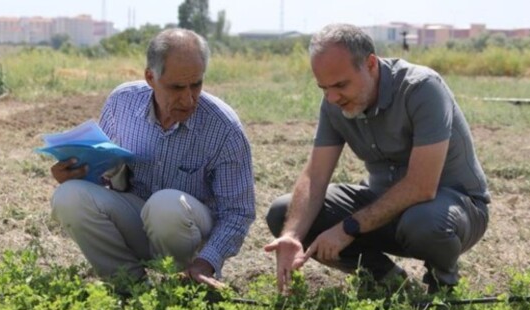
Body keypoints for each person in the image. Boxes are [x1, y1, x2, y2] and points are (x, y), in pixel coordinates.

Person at [264, 24, 490, 295]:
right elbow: (315, 176)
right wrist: (292, 235)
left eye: (340, 85)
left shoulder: (422, 88)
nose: (333, 97)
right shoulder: (334, 103)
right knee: (284, 212)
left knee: (424, 222)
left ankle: (443, 286)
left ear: (370, 64)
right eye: (324, 88)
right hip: (385, 208)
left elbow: (422, 186)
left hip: (452, 210)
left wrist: (347, 228)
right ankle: (387, 281)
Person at [51, 28, 255, 290]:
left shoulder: (223, 127)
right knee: (69, 196)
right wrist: (74, 174)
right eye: (177, 87)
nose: (189, 98)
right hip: (137, 218)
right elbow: (106, 172)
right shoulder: (122, 103)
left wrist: (208, 260)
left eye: (197, 85)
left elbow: (238, 212)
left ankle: (184, 284)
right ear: (150, 77)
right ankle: (130, 286)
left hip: (188, 230)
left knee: (165, 205)